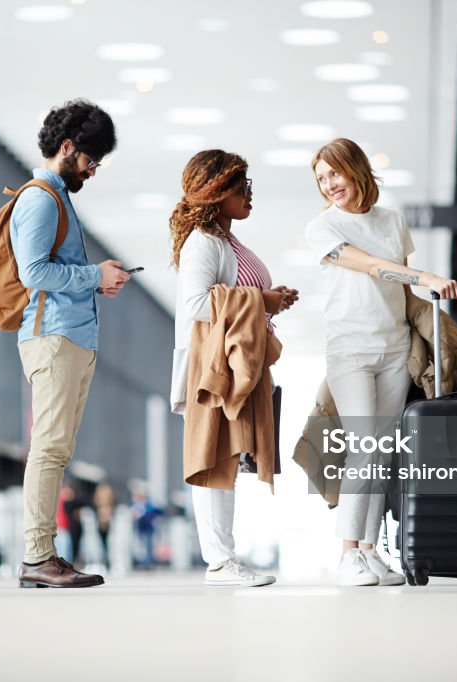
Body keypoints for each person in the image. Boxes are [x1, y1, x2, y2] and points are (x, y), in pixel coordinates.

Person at [304, 138, 457, 586]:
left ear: (356, 169)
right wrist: (424, 275)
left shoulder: (393, 221)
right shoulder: (323, 227)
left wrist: (428, 304)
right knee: (364, 447)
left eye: (334, 173)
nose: (329, 184)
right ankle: (347, 553)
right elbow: (371, 266)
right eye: (321, 178)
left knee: (384, 451)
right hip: (349, 349)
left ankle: (370, 552)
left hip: (393, 347)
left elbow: (402, 292)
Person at [12, 99, 129, 589]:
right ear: (68, 147)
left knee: (57, 449)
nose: (93, 170)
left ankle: (44, 555)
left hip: (72, 337)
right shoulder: (40, 198)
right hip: (53, 335)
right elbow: (32, 271)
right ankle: (37, 556)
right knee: (49, 448)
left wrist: (95, 281)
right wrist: (93, 275)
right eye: (90, 160)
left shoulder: (59, 197)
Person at [170, 149, 296, 587]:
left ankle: (224, 559)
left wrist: (271, 298)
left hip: (235, 366)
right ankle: (219, 562)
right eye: (242, 187)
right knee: (213, 458)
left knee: (228, 456)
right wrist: (263, 301)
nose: (249, 195)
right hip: (213, 369)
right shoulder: (203, 244)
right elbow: (195, 304)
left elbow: (232, 296)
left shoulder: (225, 240)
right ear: (217, 192)